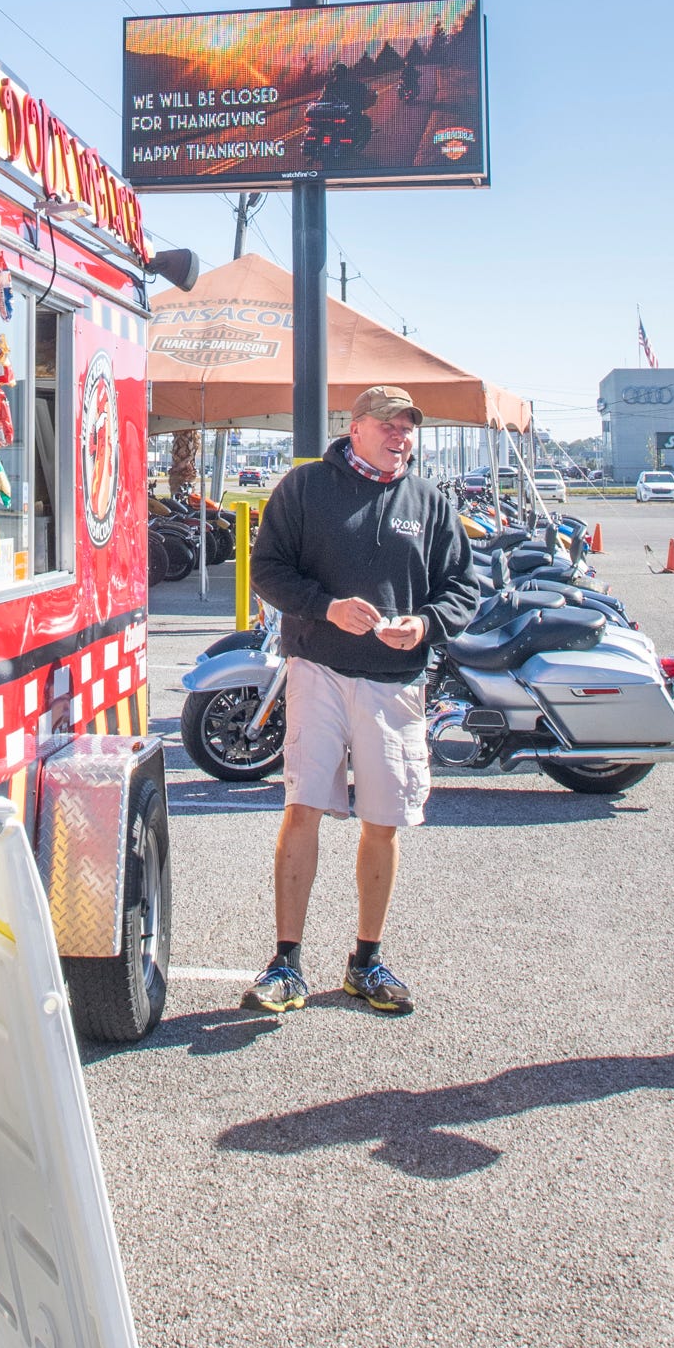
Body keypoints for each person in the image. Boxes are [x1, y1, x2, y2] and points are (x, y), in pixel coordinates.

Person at [243, 382, 477, 1017]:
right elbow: (267, 569)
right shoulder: (305, 488)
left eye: (408, 429)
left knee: (383, 820)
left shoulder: (428, 502)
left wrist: (426, 624)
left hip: (395, 682)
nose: (401, 438)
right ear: (355, 426)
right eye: (389, 426)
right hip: (317, 668)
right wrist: (326, 607)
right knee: (303, 808)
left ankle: (366, 960)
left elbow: (463, 587)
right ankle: (286, 962)